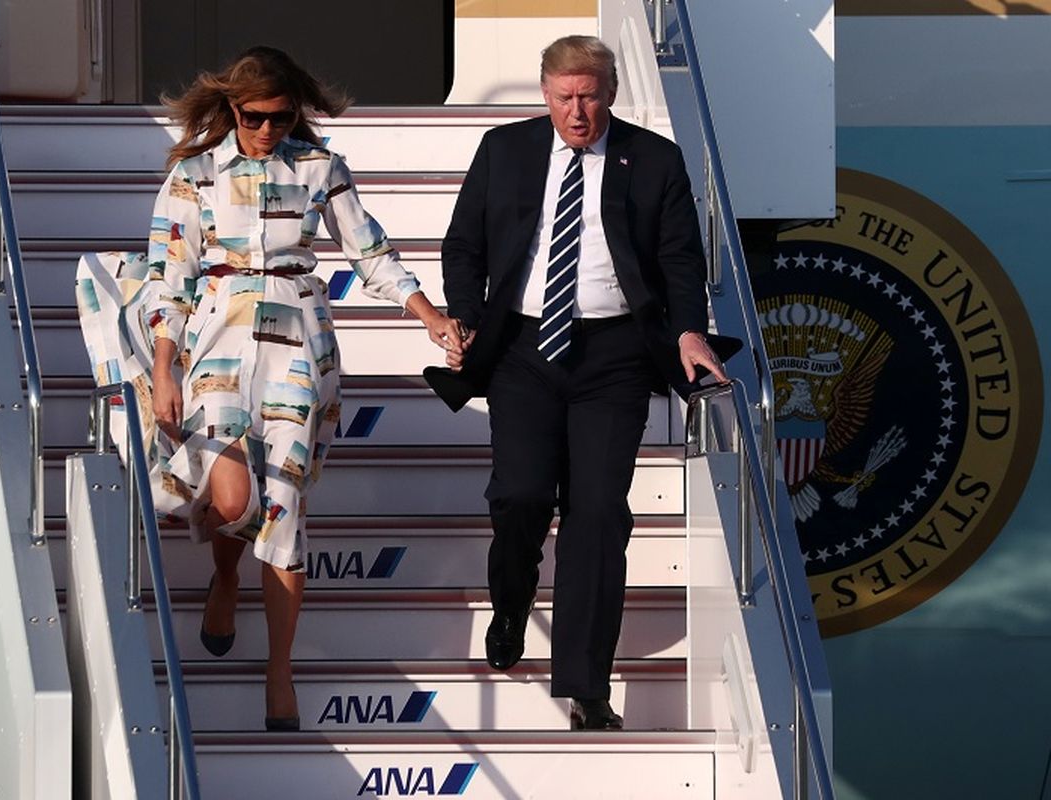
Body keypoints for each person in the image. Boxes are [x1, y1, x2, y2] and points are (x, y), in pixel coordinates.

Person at [81, 46, 461, 731]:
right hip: (217, 336)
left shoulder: (320, 170)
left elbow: (369, 252)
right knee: (232, 498)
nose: (267, 129)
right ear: (232, 108)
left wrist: (427, 314)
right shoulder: (193, 176)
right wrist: (164, 369)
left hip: (299, 340)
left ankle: (278, 668)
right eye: (255, 116)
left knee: (283, 501)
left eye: (282, 117)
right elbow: (171, 276)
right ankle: (226, 578)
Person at [433, 35, 735, 731]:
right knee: (521, 495)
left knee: (598, 514)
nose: (578, 111)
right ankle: (511, 601)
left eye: (590, 95)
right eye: (565, 97)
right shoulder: (504, 150)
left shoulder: (653, 159)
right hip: (521, 347)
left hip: (615, 354)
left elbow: (680, 259)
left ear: (611, 92)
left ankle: (585, 686)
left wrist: (690, 330)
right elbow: (464, 244)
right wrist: (467, 317)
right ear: (544, 92)